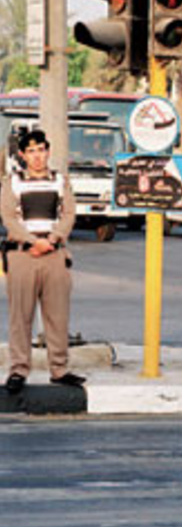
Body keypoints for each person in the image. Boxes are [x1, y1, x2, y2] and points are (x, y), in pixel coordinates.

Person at [1, 129, 83, 394]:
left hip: (54, 253)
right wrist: (33, 241)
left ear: (48, 151)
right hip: (23, 253)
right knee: (20, 316)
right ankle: (18, 370)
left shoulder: (60, 181)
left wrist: (53, 239)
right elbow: (9, 219)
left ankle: (59, 370)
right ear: (23, 155)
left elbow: (69, 214)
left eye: (41, 150)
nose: (37, 156)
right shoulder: (12, 182)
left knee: (57, 315)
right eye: (31, 152)